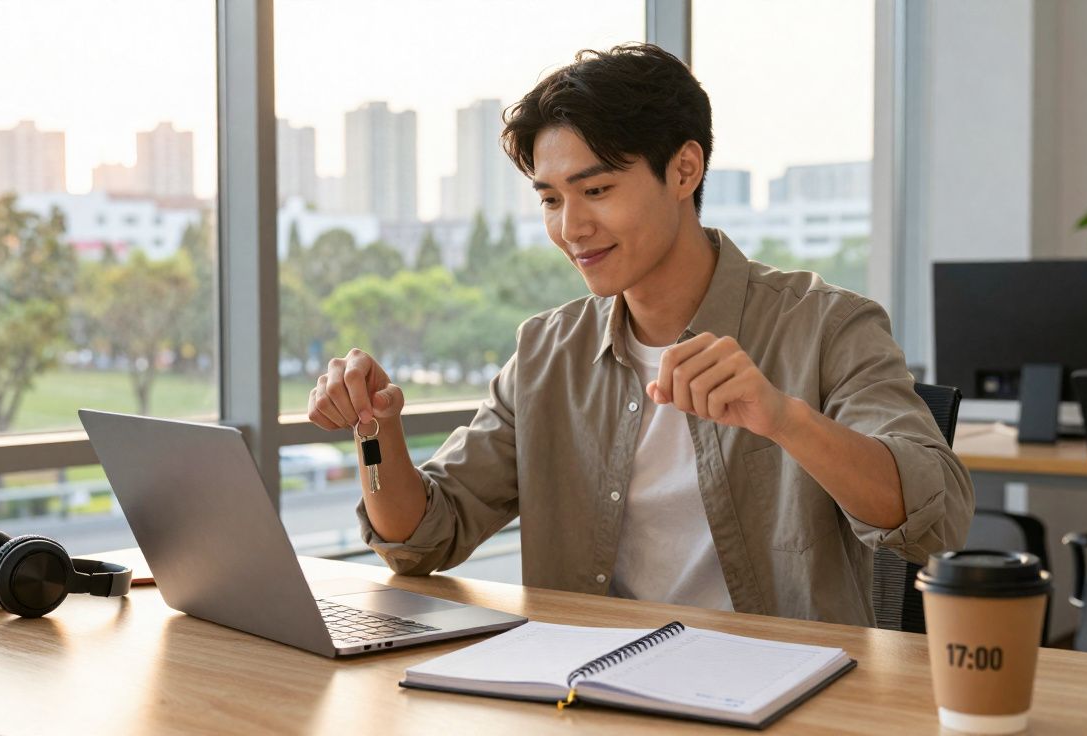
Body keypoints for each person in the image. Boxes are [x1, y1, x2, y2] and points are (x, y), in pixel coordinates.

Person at [305, 43, 973, 626]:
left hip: (785, 695)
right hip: (591, 691)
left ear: (684, 171)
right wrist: (375, 432)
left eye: (595, 191)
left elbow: (934, 516)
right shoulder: (546, 352)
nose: (571, 228)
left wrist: (783, 418)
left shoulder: (827, 325)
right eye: (550, 199)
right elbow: (423, 539)